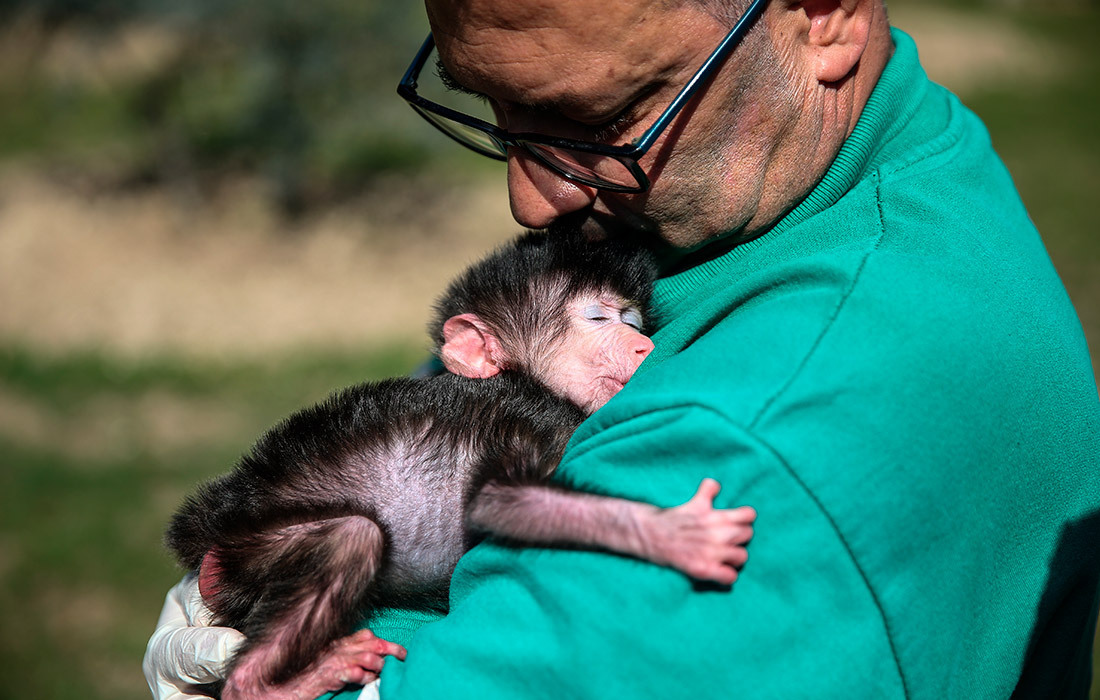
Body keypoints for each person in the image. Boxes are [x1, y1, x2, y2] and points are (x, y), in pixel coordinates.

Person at [145, 0, 1100, 697]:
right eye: (492, 104)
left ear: (823, 17)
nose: (530, 200)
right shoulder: (885, 158)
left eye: (599, 122)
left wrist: (252, 620)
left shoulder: (761, 444)